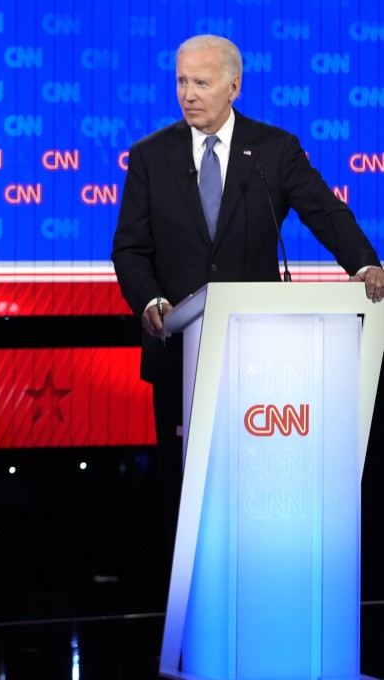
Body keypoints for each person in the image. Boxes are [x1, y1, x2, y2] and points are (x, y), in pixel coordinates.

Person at [111, 34, 384, 555]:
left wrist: (366, 264)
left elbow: (326, 214)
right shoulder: (150, 156)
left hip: (263, 361)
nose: (188, 94)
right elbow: (130, 249)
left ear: (233, 86)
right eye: (181, 82)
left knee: (255, 492)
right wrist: (151, 303)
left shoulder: (274, 150)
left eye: (202, 82)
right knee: (186, 498)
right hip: (179, 356)